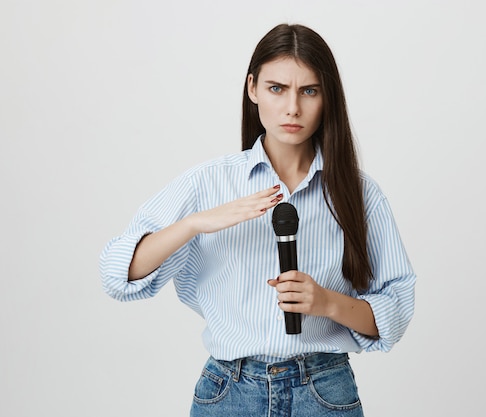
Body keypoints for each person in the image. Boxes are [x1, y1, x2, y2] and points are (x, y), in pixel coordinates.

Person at [100, 23, 416, 417]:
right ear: (252, 89)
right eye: (276, 88)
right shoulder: (209, 182)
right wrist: (194, 224)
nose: (292, 108)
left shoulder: (359, 193)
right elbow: (117, 275)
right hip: (229, 392)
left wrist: (327, 302)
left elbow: (397, 309)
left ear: (327, 98)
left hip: (325, 391)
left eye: (309, 91)